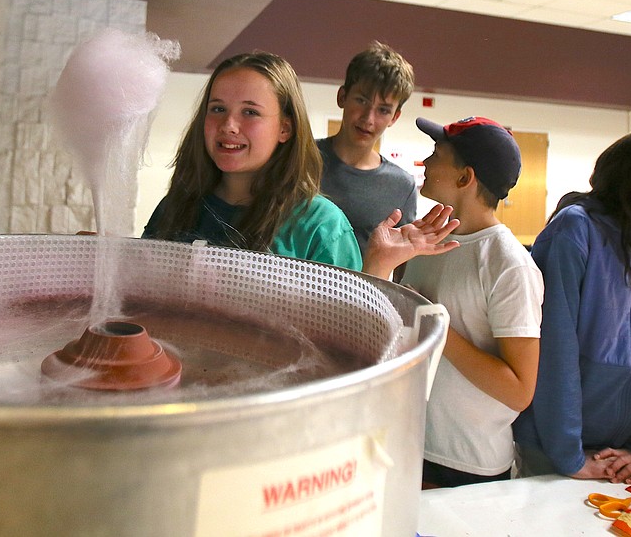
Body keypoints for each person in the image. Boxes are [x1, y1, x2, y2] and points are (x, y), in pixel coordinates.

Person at [144, 51, 457, 275]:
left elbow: (346, 336)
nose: (228, 125)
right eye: (217, 109)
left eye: (250, 112)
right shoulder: (175, 207)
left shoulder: (322, 225)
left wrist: (378, 267)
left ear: (285, 128)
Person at [514, 131, 631, 485]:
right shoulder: (575, 229)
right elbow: (554, 349)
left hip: (626, 449)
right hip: (553, 445)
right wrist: (567, 454)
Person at [375, 116, 543, 488]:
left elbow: (519, 389)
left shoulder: (508, 264)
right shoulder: (426, 241)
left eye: (436, 153)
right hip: (411, 443)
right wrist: (380, 261)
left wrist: (436, 326)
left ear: (465, 178)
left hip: (469, 464)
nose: (425, 162)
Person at [316, 42, 418, 254]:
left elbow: (401, 268)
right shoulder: (299, 159)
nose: (368, 119)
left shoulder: (401, 186)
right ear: (342, 97)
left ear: (394, 117)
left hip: (358, 288)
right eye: (361, 101)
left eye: (383, 110)